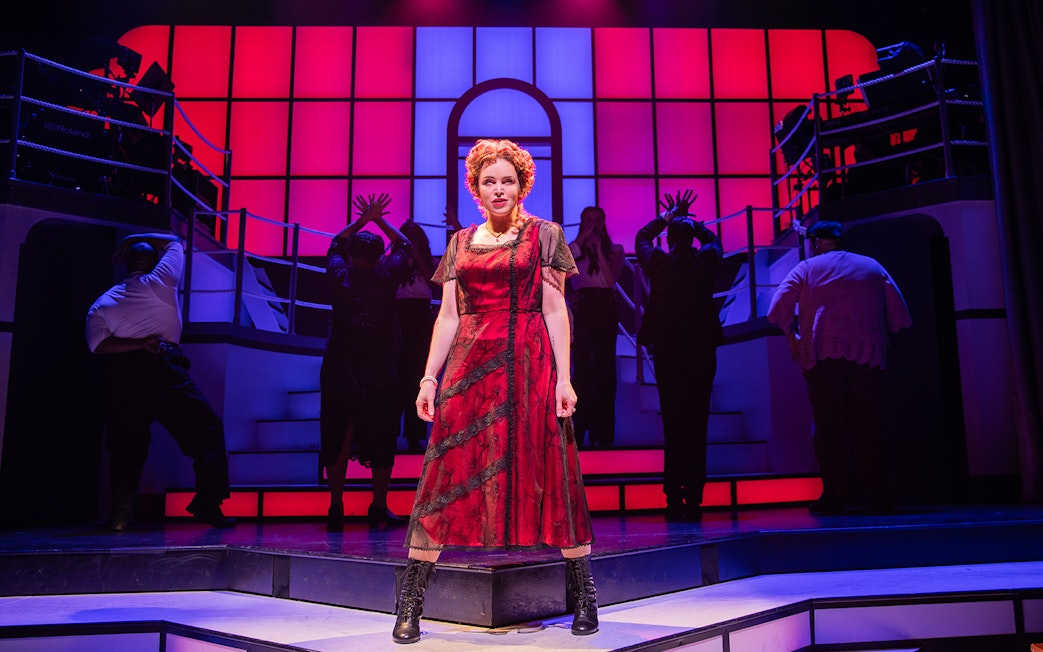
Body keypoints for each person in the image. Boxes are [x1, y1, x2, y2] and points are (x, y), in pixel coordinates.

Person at [393, 139, 597, 644]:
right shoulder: (461, 242)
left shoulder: (546, 235)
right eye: (490, 181)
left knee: (553, 467)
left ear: (523, 184)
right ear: (477, 188)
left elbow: (556, 311)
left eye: (508, 180)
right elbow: (447, 316)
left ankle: (585, 594)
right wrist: (428, 377)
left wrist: (565, 378)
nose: (499, 188)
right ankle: (410, 606)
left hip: (531, 363)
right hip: (470, 367)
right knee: (445, 474)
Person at [85, 232, 234, 531]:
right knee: (207, 428)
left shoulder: (102, 303)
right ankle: (208, 503)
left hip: (120, 376)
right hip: (161, 368)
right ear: (154, 263)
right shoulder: (162, 281)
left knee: (126, 445)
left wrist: (136, 345)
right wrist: (131, 238)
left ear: (125, 265)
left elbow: (97, 346)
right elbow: (174, 240)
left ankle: (121, 515)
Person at [766, 220, 912, 515]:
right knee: (867, 423)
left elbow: (777, 308)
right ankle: (878, 493)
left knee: (828, 425)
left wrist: (792, 336)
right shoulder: (872, 266)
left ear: (816, 242)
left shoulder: (807, 268)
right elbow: (901, 317)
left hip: (823, 355)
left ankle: (834, 494)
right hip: (869, 356)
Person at [321, 193, 414, 532]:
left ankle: (335, 505)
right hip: (378, 366)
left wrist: (362, 219)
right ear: (378, 256)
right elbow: (404, 244)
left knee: (339, 433)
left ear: (351, 255)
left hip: (340, 367)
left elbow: (335, 242)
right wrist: (379, 219)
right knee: (381, 433)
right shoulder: (386, 276)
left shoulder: (338, 275)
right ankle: (378, 504)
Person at [634, 190, 723, 523]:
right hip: (701, 349)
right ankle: (695, 496)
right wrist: (692, 222)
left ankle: (673, 496)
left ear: (668, 239)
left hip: (669, 350)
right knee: (698, 422)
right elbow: (713, 240)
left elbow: (642, 236)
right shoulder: (706, 261)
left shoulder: (658, 262)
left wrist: (668, 216)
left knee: (673, 422)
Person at [567, 206, 625, 448]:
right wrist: (583, 239)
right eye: (588, 221)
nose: (593, 225)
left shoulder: (615, 250)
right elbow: (565, 266)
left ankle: (603, 432)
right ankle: (578, 431)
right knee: (581, 369)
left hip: (605, 306)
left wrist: (599, 250)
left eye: (597, 221)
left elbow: (611, 280)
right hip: (584, 305)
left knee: (605, 370)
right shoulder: (574, 249)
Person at [395, 219, 438, 453]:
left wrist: (417, 256)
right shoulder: (393, 261)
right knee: (396, 376)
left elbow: (434, 282)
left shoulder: (427, 261)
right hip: (398, 313)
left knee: (418, 377)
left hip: (420, 315)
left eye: (414, 236)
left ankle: (415, 435)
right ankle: (390, 431)